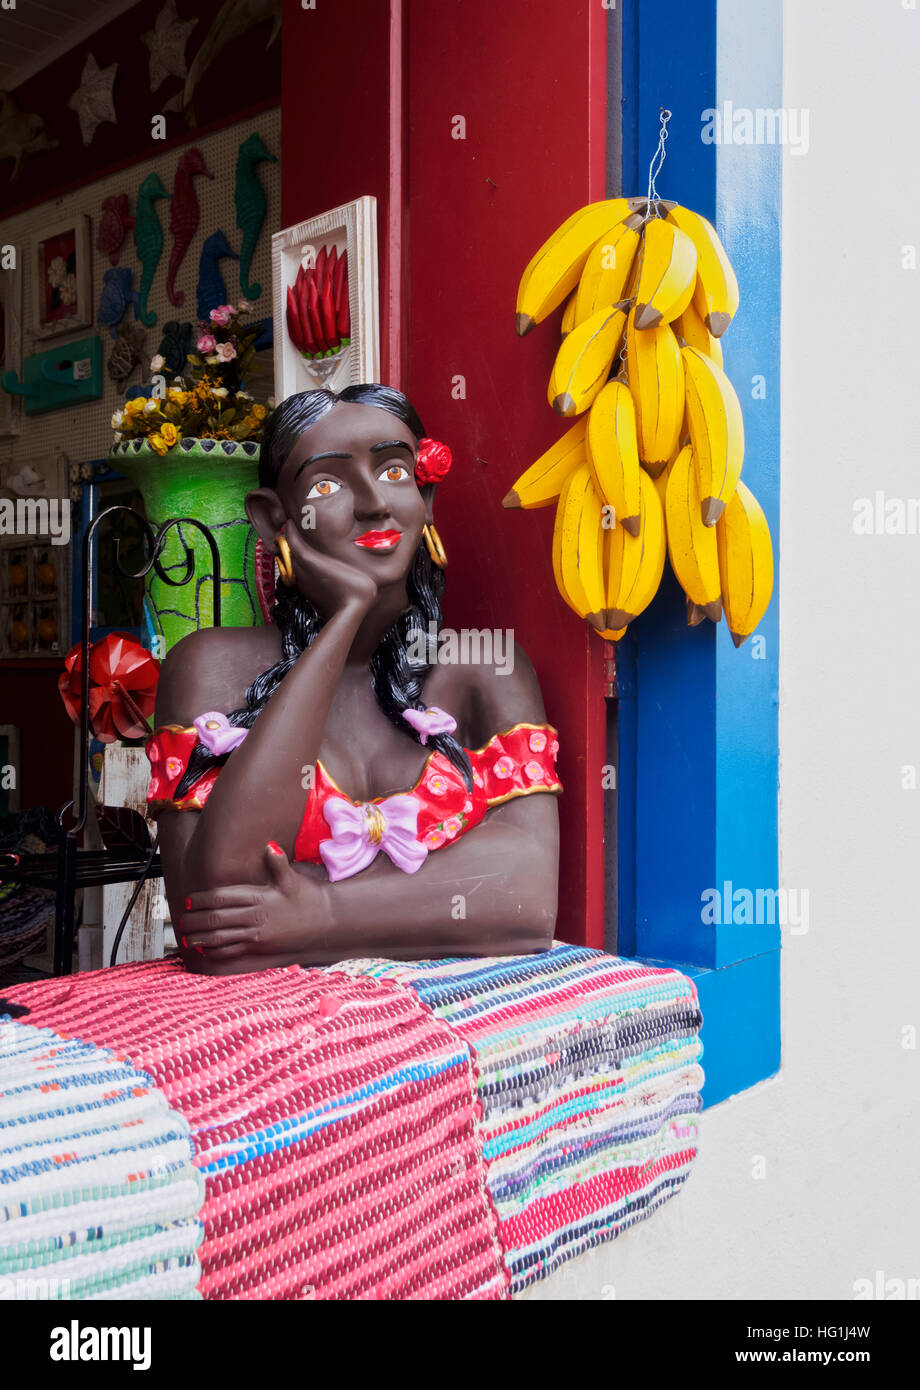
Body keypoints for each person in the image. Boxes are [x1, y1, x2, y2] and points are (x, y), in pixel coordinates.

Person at [147, 384, 561, 975]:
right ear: (274, 522)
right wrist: (345, 616)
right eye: (326, 485)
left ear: (427, 497)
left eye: (394, 471)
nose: (373, 503)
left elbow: (528, 896)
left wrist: (324, 913)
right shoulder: (210, 665)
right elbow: (213, 917)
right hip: (271, 1040)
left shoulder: (484, 666)